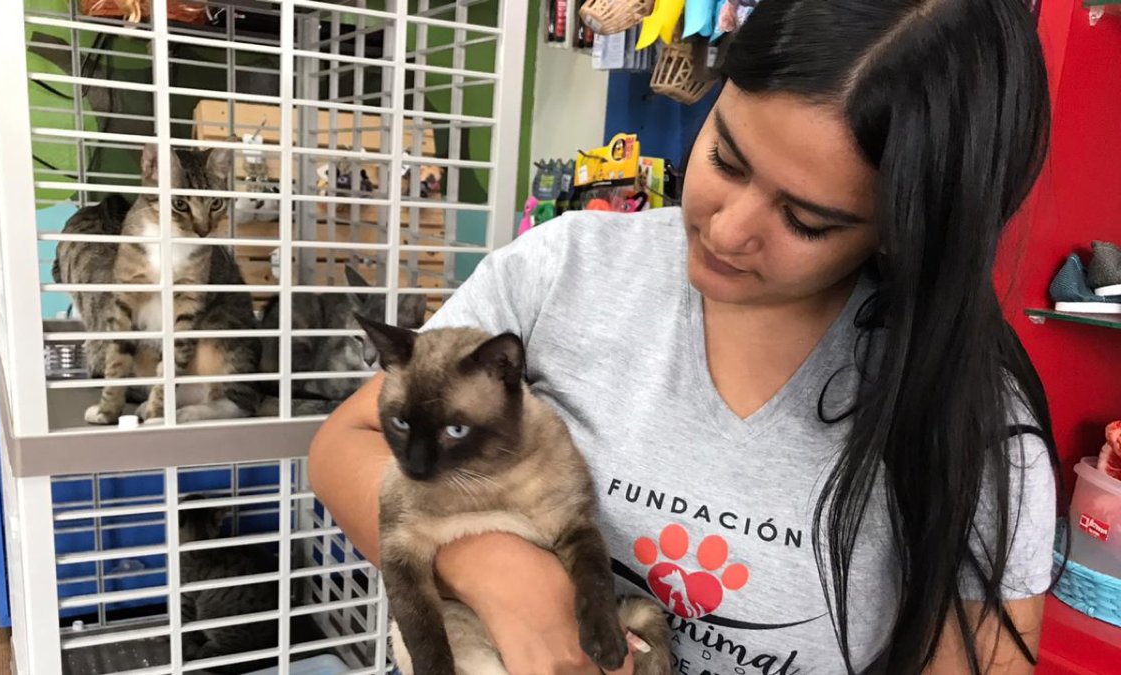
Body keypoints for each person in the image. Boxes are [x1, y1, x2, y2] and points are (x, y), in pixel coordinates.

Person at [309, 0, 1058, 673]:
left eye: (807, 219)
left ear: (905, 232)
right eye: (725, 157)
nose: (727, 230)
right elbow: (346, 441)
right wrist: (499, 570)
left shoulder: (976, 426)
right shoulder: (565, 267)